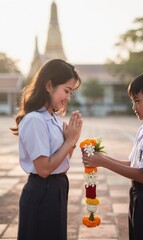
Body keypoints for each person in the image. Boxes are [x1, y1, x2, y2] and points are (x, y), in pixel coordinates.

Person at [82, 69, 143, 240]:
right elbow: (133, 164)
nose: (134, 107)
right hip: (140, 194)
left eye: (137, 101)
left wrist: (103, 162)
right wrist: (100, 158)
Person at [11, 59, 83, 240]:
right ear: (49, 85)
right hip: (43, 190)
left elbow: (62, 159)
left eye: (71, 93)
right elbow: (43, 169)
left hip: (57, 185)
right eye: (66, 91)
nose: (68, 97)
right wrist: (70, 141)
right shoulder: (35, 120)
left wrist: (71, 142)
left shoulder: (54, 118)